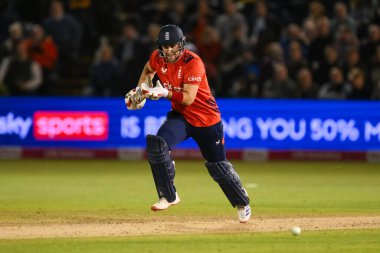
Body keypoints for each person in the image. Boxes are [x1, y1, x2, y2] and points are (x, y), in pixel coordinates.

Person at [124, 24, 251, 223]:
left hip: (206, 120)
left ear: (181, 45)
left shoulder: (194, 62)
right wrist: (141, 91)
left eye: (172, 45)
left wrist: (164, 92)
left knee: (218, 167)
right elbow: (148, 70)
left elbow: (188, 98)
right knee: (157, 145)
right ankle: (169, 195)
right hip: (181, 117)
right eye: (164, 46)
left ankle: (242, 201)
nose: (168, 50)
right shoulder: (157, 58)